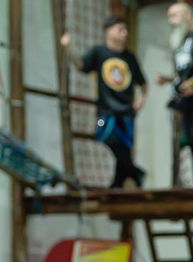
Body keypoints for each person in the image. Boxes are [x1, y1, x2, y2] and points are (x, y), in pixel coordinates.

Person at [62, 17, 148, 188]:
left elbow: (143, 83)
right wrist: (68, 48)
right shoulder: (99, 52)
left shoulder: (129, 58)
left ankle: (118, 182)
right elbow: (81, 66)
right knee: (104, 135)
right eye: (120, 29)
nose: (125, 34)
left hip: (126, 112)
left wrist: (140, 101)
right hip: (105, 112)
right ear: (108, 31)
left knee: (125, 147)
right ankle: (134, 172)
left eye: (125, 30)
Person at [156, 2, 193, 184]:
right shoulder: (179, 41)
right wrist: (168, 79)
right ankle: (179, 180)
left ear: (186, 15)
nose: (171, 21)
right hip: (182, 98)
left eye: (174, 16)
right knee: (183, 138)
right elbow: (182, 70)